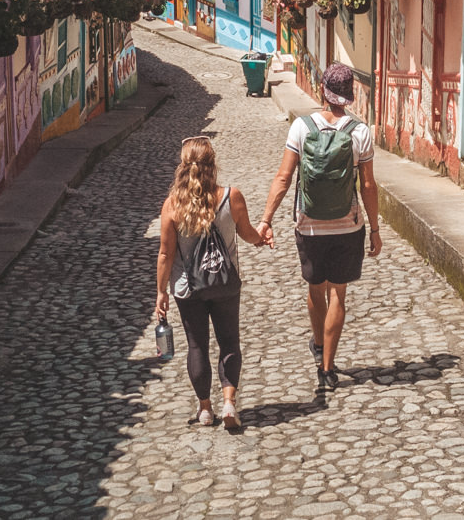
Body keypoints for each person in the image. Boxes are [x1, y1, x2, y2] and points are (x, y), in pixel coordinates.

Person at [258, 62, 380, 391]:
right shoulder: (360, 132)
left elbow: (284, 177)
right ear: (348, 97)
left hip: (309, 225)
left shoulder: (301, 128)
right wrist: (375, 228)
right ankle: (327, 366)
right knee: (338, 294)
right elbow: (368, 186)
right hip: (348, 226)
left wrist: (266, 219)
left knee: (316, 290)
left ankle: (318, 345)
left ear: (323, 92)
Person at [155, 135, 266, 430]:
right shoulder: (232, 196)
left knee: (197, 346)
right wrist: (261, 239)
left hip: (187, 288)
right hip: (225, 283)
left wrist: (160, 292)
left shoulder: (172, 206)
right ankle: (229, 402)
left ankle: (205, 409)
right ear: (213, 165)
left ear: (183, 167)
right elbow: (247, 233)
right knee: (229, 341)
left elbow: (165, 253)